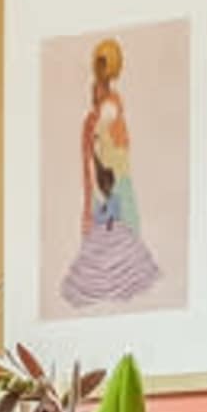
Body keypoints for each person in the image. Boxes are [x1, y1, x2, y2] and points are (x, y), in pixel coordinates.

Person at [59, 34, 163, 309]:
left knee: (118, 225)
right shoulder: (104, 108)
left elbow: (110, 140)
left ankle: (118, 282)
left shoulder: (108, 107)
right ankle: (110, 283)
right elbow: (102, 139)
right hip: (106, 175)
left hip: (111, 174)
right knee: (110, 225)